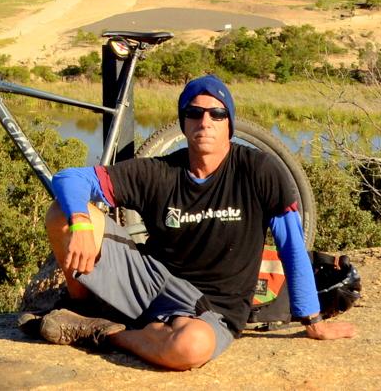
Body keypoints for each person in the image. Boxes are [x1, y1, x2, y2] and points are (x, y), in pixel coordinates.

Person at [37, 75, 357, 370]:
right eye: (195, 113)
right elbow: (69, 179)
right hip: (152, 281)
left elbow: (291, 244)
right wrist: (80, 222)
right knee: (61, 215)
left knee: (190, 348)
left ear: (229, 122)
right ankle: (83, 309)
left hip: (214, 306)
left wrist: (312, 319)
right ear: (183, 122)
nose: (205, 122)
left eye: (216, 114)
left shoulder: (259, 171)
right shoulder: (161, 173)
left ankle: (103, 333)